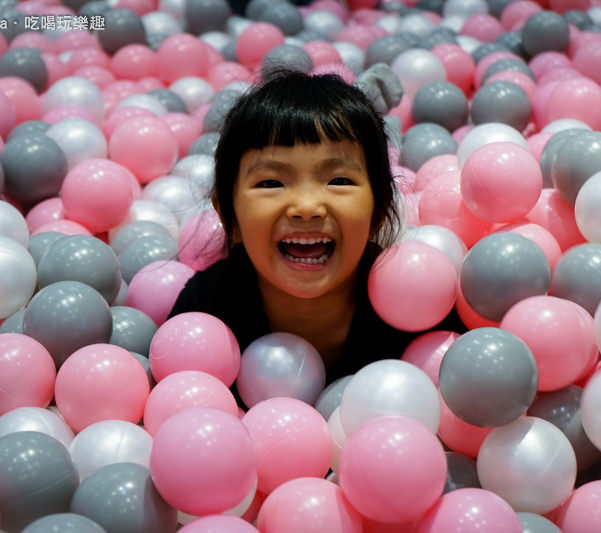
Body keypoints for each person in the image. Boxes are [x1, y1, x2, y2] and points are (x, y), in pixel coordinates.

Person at [168, 69, 466, 387]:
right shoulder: (204, 313)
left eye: (338, 180)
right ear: (229, 217)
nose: (307, 206)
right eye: (271, 182)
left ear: (378, 213)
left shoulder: (423, 308)